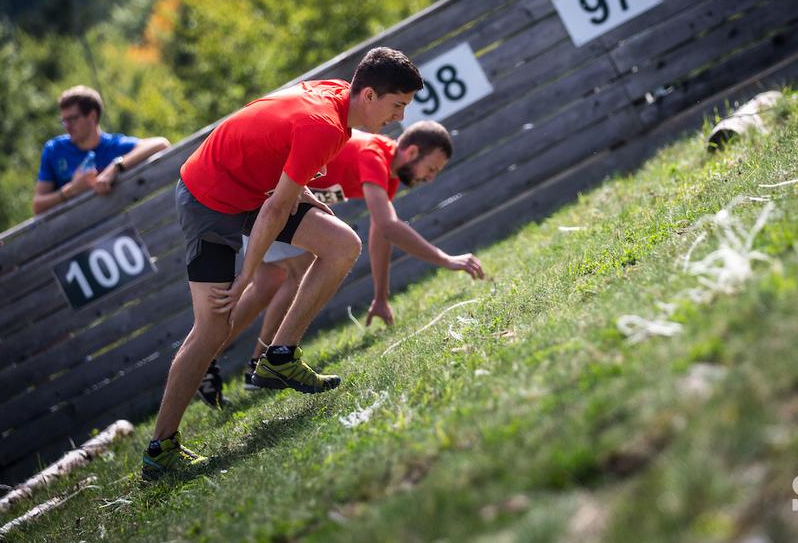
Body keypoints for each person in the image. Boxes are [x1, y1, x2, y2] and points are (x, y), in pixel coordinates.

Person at [141, 47, 421, 479]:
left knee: (341, 243)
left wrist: (308, 204)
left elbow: (284, 166)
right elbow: (274, 213)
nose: (398, 118)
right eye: (397, 105)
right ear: (368, 94)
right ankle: (161, 448)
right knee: (213, 326)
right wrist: (247, 274)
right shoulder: (326, 125)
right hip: (206, 199)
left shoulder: (338, 102)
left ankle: (280, 354)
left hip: (252, 191)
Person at [198, 121, 483, 402]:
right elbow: (388, 225)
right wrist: (446, 259)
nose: (430, 178)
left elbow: (380, 233)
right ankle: (248, 361)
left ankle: (215, 360)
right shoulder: (373, 154)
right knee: (298, 272)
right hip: (268, 197)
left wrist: (381, 297)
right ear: (411, 153)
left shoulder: (389, 174)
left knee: (270, 281)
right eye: (431, 169)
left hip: (274, 199)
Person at [33, 85, 170, 214]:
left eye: (73, 119)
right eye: (64, 120)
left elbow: (161, 144)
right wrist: (71, 190)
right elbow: (38, 205)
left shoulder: (113, 145)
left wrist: (114, 167)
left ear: (92, 116)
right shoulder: (54, 150)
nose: (67, 126)